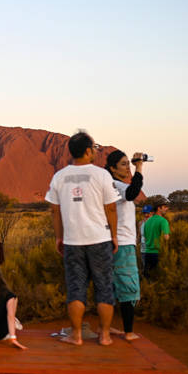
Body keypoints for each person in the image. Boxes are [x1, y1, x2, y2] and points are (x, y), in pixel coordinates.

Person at [45, 130, 120, 346]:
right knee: (104, 287)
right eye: (94, 147)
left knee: (76, 288)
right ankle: (104, 336)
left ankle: (76, 335)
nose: (95, 151)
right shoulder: (101, 175)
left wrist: (59, 237)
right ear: (87, 151)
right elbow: (111, 208)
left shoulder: (59, 177)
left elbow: (55, 211)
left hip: (72, 241)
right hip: (100, 239)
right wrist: (114, 235)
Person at [106, 150, 146, 341]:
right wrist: (139, 168)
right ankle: (128, 332)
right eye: (123, 164)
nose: (127, 167)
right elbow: (132, 193)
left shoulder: (111, 185)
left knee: (111, 287)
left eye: (127, 164)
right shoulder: (117, 185)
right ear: (112, 168)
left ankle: (106, 327)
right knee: (129, 286)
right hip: (122, 244)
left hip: (113, 242)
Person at [142, 199, 170, 278]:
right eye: (165, 207)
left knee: (148, 277)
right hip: (158, 253)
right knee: (159, 277)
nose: (167, 209)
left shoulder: (147, 221)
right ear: (159, 208)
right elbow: (166, 237)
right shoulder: (163, 221)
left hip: (147, 252)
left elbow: (145, 237)